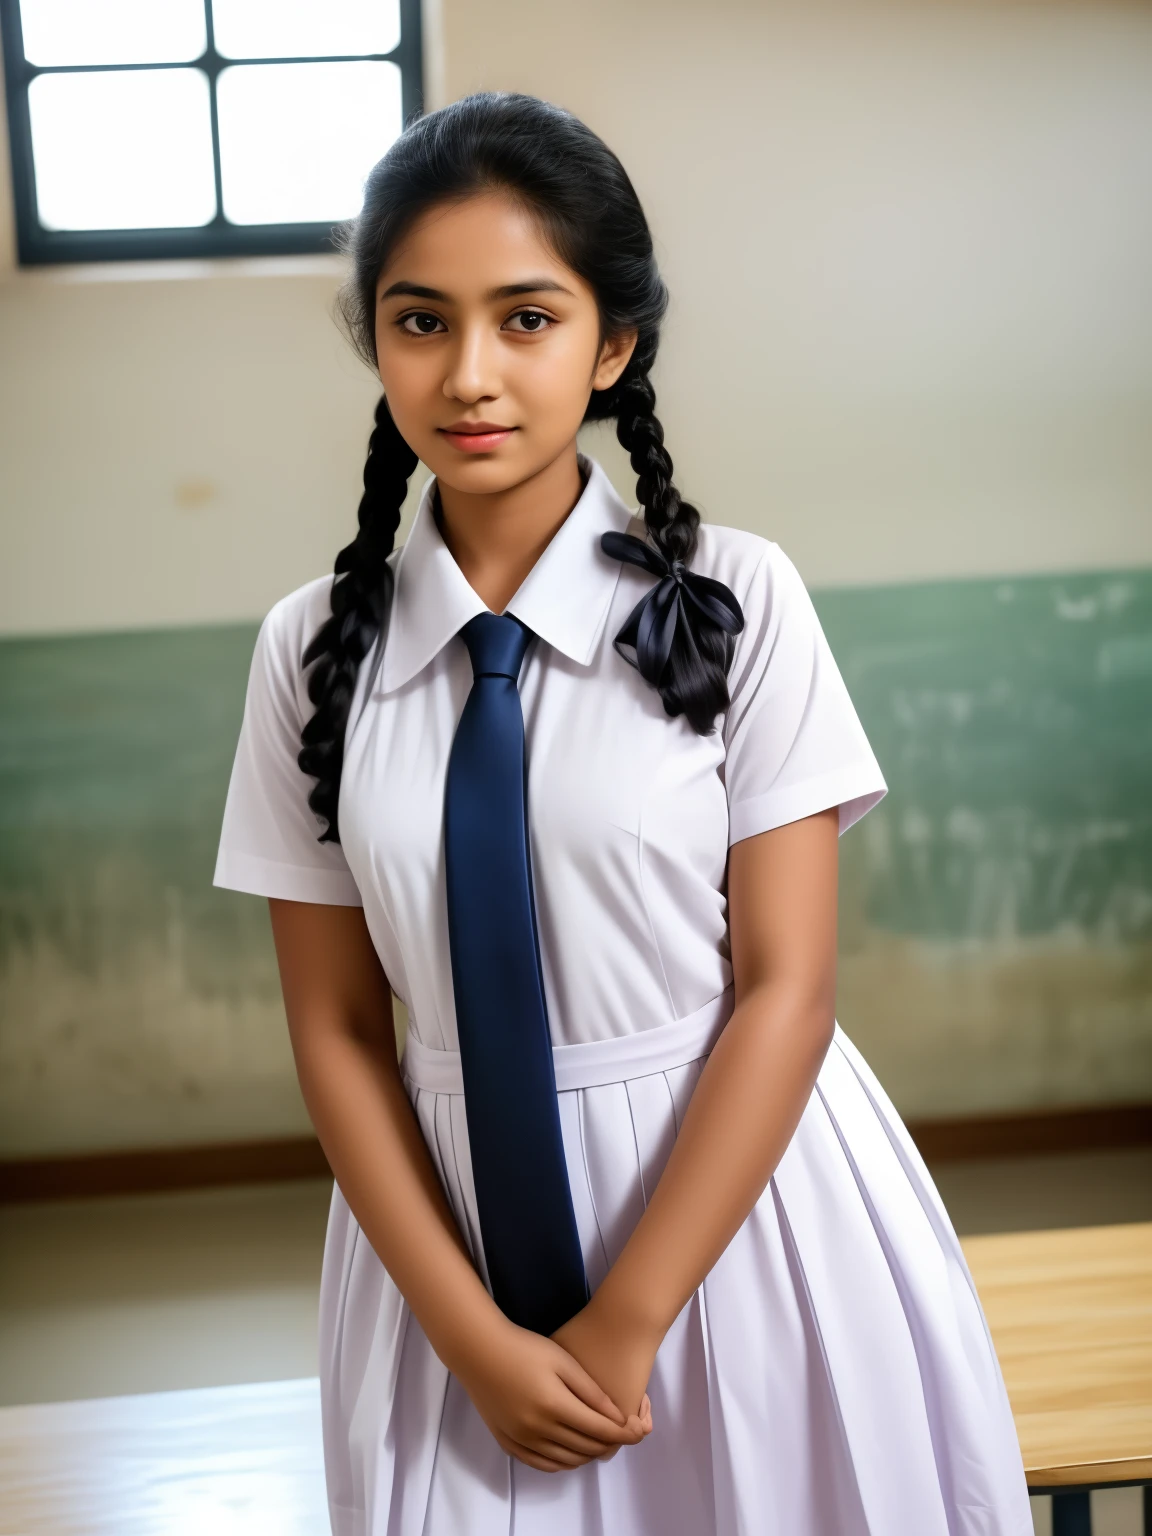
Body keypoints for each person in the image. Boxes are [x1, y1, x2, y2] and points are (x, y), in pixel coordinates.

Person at [214, 91, 1033, 1535]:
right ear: (377, 344)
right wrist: (471, 1334)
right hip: (440, 1260)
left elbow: (787, 991)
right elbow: (339, 1031)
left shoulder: (739, 599)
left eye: (526, 319)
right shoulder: (309, 650)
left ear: (614, 343)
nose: (470, 374)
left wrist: (628, 1317)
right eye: (421, 321)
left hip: (744, 1225)